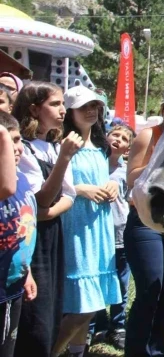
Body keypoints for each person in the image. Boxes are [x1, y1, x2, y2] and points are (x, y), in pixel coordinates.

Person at [13, 82, 83, 357]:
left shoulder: (53, 146)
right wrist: (65, 158)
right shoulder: (27, 149)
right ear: (33, 108)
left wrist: (50, 213)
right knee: (35, 319)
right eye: (55, 104)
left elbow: (68, 194)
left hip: (53, 232)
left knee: (52, 310)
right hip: (33, 241)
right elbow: (41, 198)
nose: (62, 110)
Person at [53, 86, 121, 357]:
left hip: (100, 225)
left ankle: (76, 352)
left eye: (95, 106)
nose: (91, 111)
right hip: (76, 225)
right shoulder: (63, 142)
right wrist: (82, 190)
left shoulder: (102, 145)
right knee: (84, 303)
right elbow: (55, 182)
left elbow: (107, 176)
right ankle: (51, 350)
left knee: (91, 301)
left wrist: (112, 185)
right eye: (84, 107)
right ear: (70, 112)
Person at [124, 85, 164, 357]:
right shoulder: (149, 134)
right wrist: (162, 158)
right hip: (144, 221)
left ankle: (156, 348)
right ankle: (137, 350)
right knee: (150, 288)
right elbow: (131, 178)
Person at [88, 124, 135, 350]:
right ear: (106, 137)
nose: (118, 139)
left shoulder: (126, 172)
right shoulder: (94, 164)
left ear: (128, 149)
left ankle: (118, 326)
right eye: (115, 134)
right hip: (95, 234)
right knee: (95, 279)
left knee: (121, 283)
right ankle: (97, 325)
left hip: (119, 235)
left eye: (124, 138)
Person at [0, 112, 37, 357]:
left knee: (8, 348)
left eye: (18, 139)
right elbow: (6, 188)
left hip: (14, 282)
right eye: (9, 141)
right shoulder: (7, 183)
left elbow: (23, 233)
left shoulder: (22, 179)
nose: (18, 148)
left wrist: (27, 271)